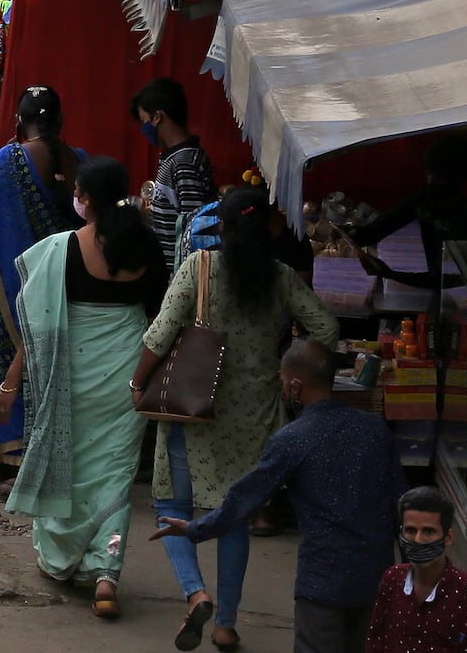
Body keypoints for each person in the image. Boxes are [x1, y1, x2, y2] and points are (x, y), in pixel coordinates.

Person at [141, 186, 341, 651]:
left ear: (223, 229)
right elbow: (326, 328)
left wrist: (137, 384)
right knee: (234, 516)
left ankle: (196, 594)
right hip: (255, 412)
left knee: (173, 506)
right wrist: (285, 371)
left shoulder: (200, 267)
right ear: (268, 228)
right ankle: (226, 624)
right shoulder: (281, 277)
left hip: (194, 407)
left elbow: (160, 334)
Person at [157, 340, 403, 653]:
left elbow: (242, 499)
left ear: (296, 387)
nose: (283, 389)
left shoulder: (292, 440)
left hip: (323, 585)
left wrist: (194, 529)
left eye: (284, 382)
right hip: (377, 580)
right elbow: (404, 505)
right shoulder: (374, 429)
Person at [0, 156, 165, 613]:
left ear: (85, 200)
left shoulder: (60, 249)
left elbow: (37, 327)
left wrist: (10, 383)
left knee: (66, 463)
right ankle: (106, 573)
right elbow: (160, 317)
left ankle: (62, 560)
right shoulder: (147, 245)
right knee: (115, 474)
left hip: (72, 373)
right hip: (128, 375)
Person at [0, 83, 85, 461]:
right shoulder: (78, 160)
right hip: (57, 279)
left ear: (18, 122)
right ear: (59, 120)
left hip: (6, 283)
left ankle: (6, 446)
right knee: (47, 354)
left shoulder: (7, 162)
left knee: (2, 355)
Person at [366, 487, 467, 653]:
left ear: (448, 538)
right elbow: (376, 642)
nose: (418, 540)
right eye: (410, 531)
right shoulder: (392, 579)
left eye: (428, 532)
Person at [135, 75, 221, 274]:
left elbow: (195, 233)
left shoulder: (183, 163)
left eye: (144, 120)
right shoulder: (172, 158)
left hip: (180, 279)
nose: (143, 128)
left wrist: (182, 284)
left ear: (157, 117)